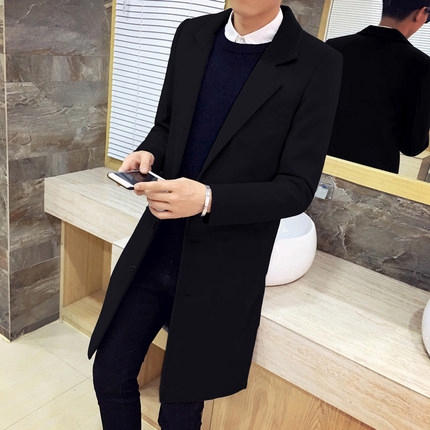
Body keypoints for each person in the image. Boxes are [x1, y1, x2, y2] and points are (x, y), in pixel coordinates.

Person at [88, 1, 342, 429]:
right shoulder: (193, 33)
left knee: (181, 409)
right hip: (157, 245)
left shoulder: (318, 63)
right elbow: (168, 124)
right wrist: (150, 151)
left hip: (224, 265)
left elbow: (297, 187)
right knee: (110, 372)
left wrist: (208, 198)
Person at [326, 0, 430, 174]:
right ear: (420, 13)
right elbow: (412, 146)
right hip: (373, 176)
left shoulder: (334, 48)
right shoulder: (421, 66)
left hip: (320, 164)